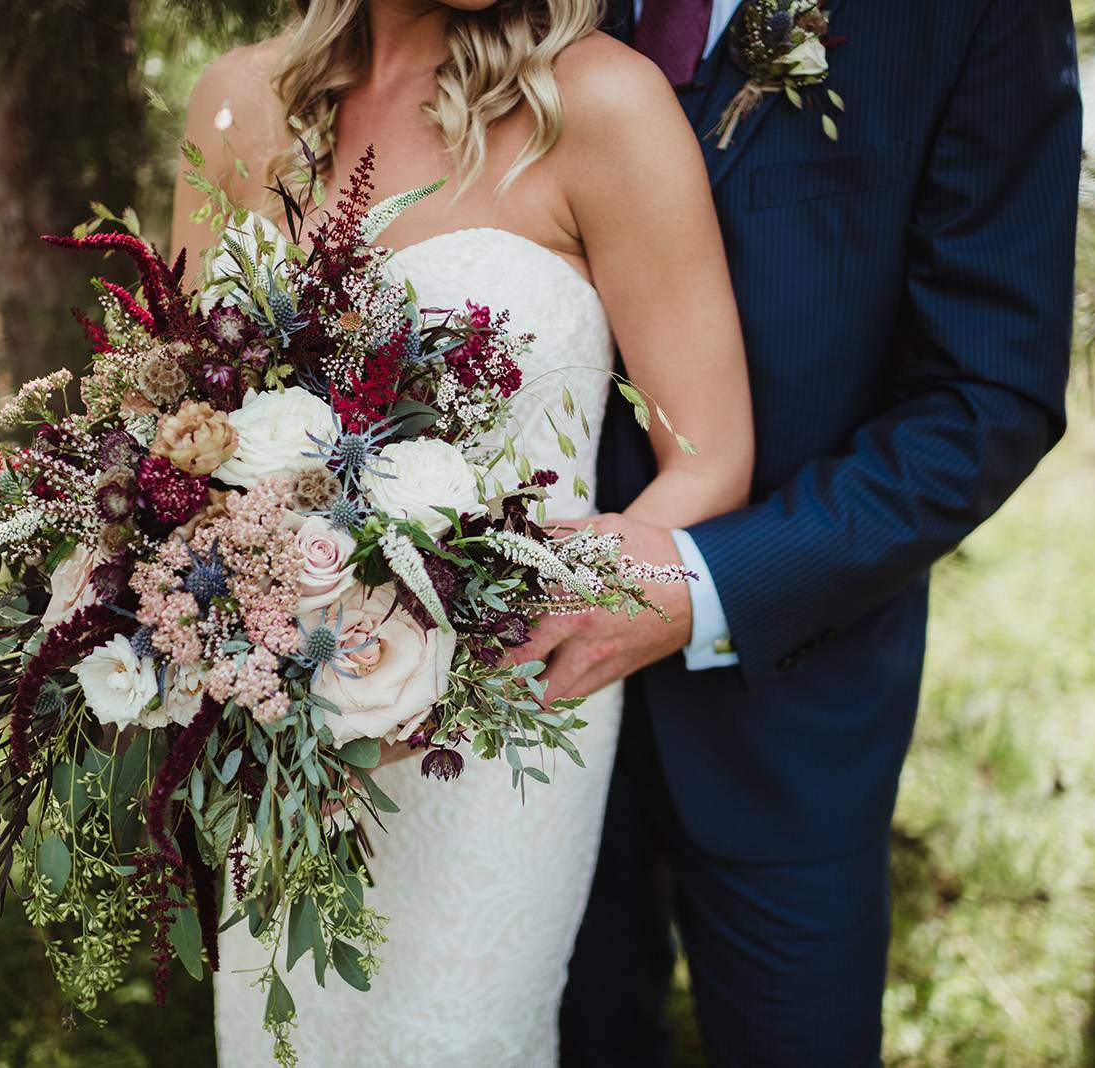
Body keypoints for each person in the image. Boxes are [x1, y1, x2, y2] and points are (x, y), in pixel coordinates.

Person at [170, 0, 754, 1062]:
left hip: (501, 721)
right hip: (276, 715)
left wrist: (473, 636)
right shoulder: (235, 105)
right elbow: (183, 432)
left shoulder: (604, 103)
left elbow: (709, 455)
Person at [530, 1, 1084, 1065]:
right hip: (521, 691)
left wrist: (706, 583)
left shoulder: (974, 20)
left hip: (790, 692)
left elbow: (986, 394)